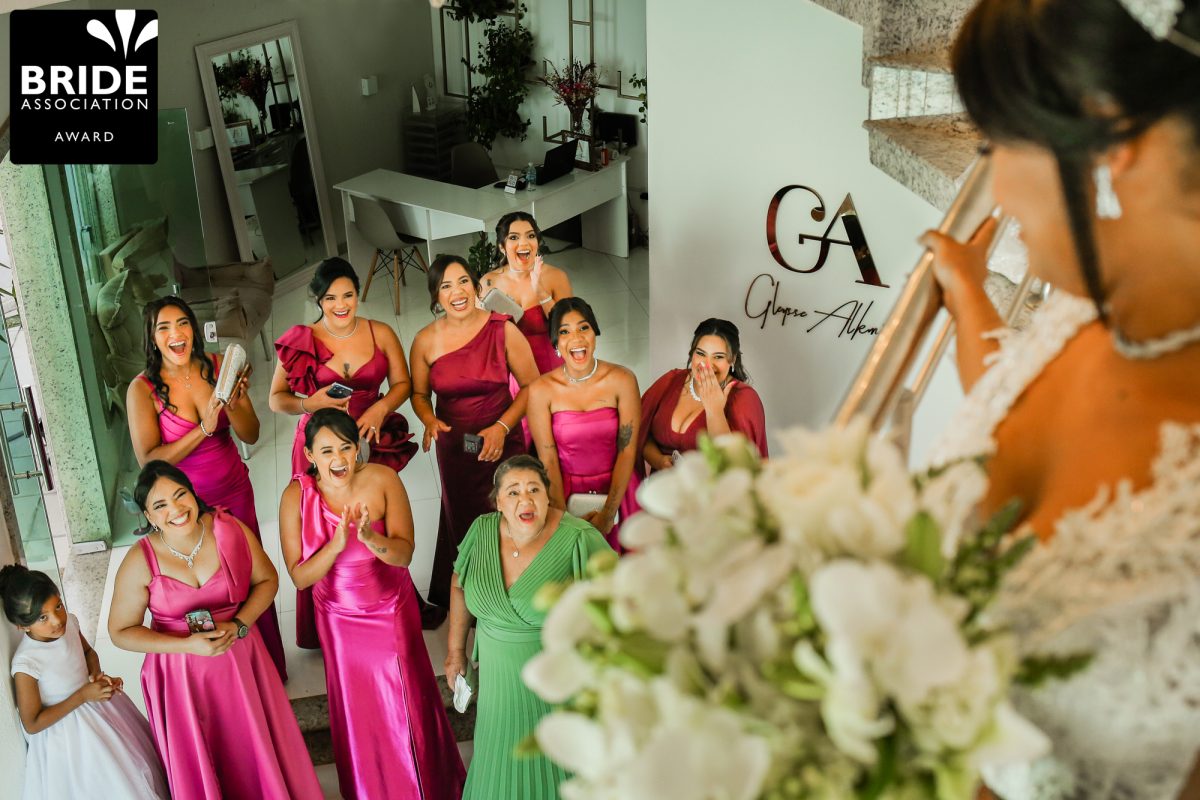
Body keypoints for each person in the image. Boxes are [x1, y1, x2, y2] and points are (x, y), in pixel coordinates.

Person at [921, 1, 1200, 797]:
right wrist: (967, 294)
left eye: (996, 143)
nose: (995, 190)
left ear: (1111, 139)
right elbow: (1005, 396)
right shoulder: (1085, 310)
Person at [279, 409, 465, 800]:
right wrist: (335, 546)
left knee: (406, 699)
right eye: (326, 451)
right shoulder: (296, 496)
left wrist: (370, 539)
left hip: (390, 610)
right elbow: (300, 577)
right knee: (358, 706)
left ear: (357, 448)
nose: (338, 459)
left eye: (345, 448)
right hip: (337, 619)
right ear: (310, 455)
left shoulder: (383, 480)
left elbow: (404, 554)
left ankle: (428, 784)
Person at [108, 461, 322, 800]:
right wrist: (186, 646)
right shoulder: (140, 560)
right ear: (148, 516)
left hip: (240, 658)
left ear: (193, 493)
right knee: (203, 755)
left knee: (251, 745)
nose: (176, 509)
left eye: (180, 495)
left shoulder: (229, 529)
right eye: (160, 505)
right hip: (180, 675)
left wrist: (239, 625)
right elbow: (120, 631)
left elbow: (267, 580)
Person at [127, 296, 286, 680]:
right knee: (211, 589)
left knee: (250, 578)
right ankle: (226, 674)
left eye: (182, 323)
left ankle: (266, 668)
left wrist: (237, 402)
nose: (175, 334)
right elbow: (149, 459)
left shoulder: (217, 366)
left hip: (235, 491)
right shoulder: (142, 390)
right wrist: (203, 429)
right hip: (186, 508)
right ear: (152, 338)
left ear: (193, 329)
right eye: (163, 327)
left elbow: (252, 432)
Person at [444, 455, 612, 800]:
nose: (526, 499)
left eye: (534, 489)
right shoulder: (482, 530)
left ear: (548, 496)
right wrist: (455, 651)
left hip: (555, 682)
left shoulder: (579, 538)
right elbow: (459, 584)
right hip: (497, 684)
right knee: (498, 767)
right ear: (498, 502)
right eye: (514, 492)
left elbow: (617, 604)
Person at [271, 257, 418, 648]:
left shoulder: (380, 332)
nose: (341, 305)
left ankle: (386, 599)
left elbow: (403, 383)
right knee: (320, 529)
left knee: (377, 522)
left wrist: (381, 408)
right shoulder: (301, 340)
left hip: (369, 436)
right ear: (318, 300)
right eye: (331, 298)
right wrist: (310, 403)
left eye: (348, 295)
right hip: (320, 445)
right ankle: (325, 617)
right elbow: (276, 399)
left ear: (357, 294)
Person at [409, 254, 539, 627]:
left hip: (503, 440)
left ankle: (518, 593)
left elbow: (532, 386)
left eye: (463, 281)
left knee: (511, 514)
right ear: (436, 296)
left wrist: (502, 427)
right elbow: (419, 394)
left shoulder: (503, 330)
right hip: (457, 448)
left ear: (477, 285)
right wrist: (428, 418)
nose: (457, 292)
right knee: (465, 520)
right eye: (446, 286)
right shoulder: (424, 341)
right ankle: (477, 599)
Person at [3, 564, 168, 800]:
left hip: (99, 708)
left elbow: (89, 653)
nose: (57, 620)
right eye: (43, 618)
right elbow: (33, 723)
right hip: (69, 735)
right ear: (22, 626)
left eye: (58, 606)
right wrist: (83, 695)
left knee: (134, 763)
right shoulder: (27, 663)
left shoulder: (69, 624)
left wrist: (96, 676)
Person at [526, 297, 641, 550]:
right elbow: (548, 459)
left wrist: (609, 513)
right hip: (565, 493)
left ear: (595, 333)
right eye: (564, 332)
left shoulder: (623, 379)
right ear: (555, 343)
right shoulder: (540, 390)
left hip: (619, 489)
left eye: (583, 328)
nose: (576, 338)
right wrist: (563, 517)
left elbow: (627, 451)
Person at [639, 318, 768, 474]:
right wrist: (659, 461)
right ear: (692, 353)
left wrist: (715, 411)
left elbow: (736, 468)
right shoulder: (671, 380)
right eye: (700, 353)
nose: (707, 365)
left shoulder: (744, 398)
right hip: (662, 486)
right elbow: (641, 432)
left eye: (718, 356)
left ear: (732, 359)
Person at [479, 211, 573, 376]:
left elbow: (569, 330)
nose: (524, 243)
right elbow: (480, 339)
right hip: (507, 371)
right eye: (514, 237)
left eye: (530, 236)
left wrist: (541, 292)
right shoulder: (488, 282)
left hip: (550, 369)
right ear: (502, 247)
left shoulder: (556, 276)